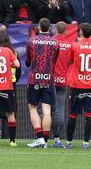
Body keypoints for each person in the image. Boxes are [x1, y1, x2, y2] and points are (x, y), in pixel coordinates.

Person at [65, 23, 91, 149]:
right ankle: (86, 142)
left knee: (73, 114)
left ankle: (69, 142)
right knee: (89, 114)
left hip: (76, 84)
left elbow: (70, 61)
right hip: (90, 84)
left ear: (80, 32)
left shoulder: (75, 45)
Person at [25, 18, 59, 148]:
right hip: (48, 78)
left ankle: (40, 138)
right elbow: (54, 60)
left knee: (33, 108)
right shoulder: (55, 43)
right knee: (47, 110)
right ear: (49, 28)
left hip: (34, 78)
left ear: (39, 27)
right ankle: (44, 140)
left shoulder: (32, 41)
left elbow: (28, 61)